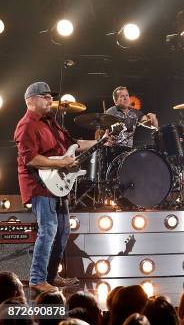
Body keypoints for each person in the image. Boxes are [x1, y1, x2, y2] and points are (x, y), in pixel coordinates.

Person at [14, 82, 115, 293]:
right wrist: (61, 163)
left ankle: (51, 276)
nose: (50, 100)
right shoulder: (26, 125)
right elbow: (30, 159)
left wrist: (102, 142)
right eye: (44, 96)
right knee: (48, 230)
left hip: (58, 185)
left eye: (51, 97)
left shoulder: (51, 122)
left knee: (62, 231)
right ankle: (37, 279)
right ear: (30, 100)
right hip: (39, 185)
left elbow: (74, 144)